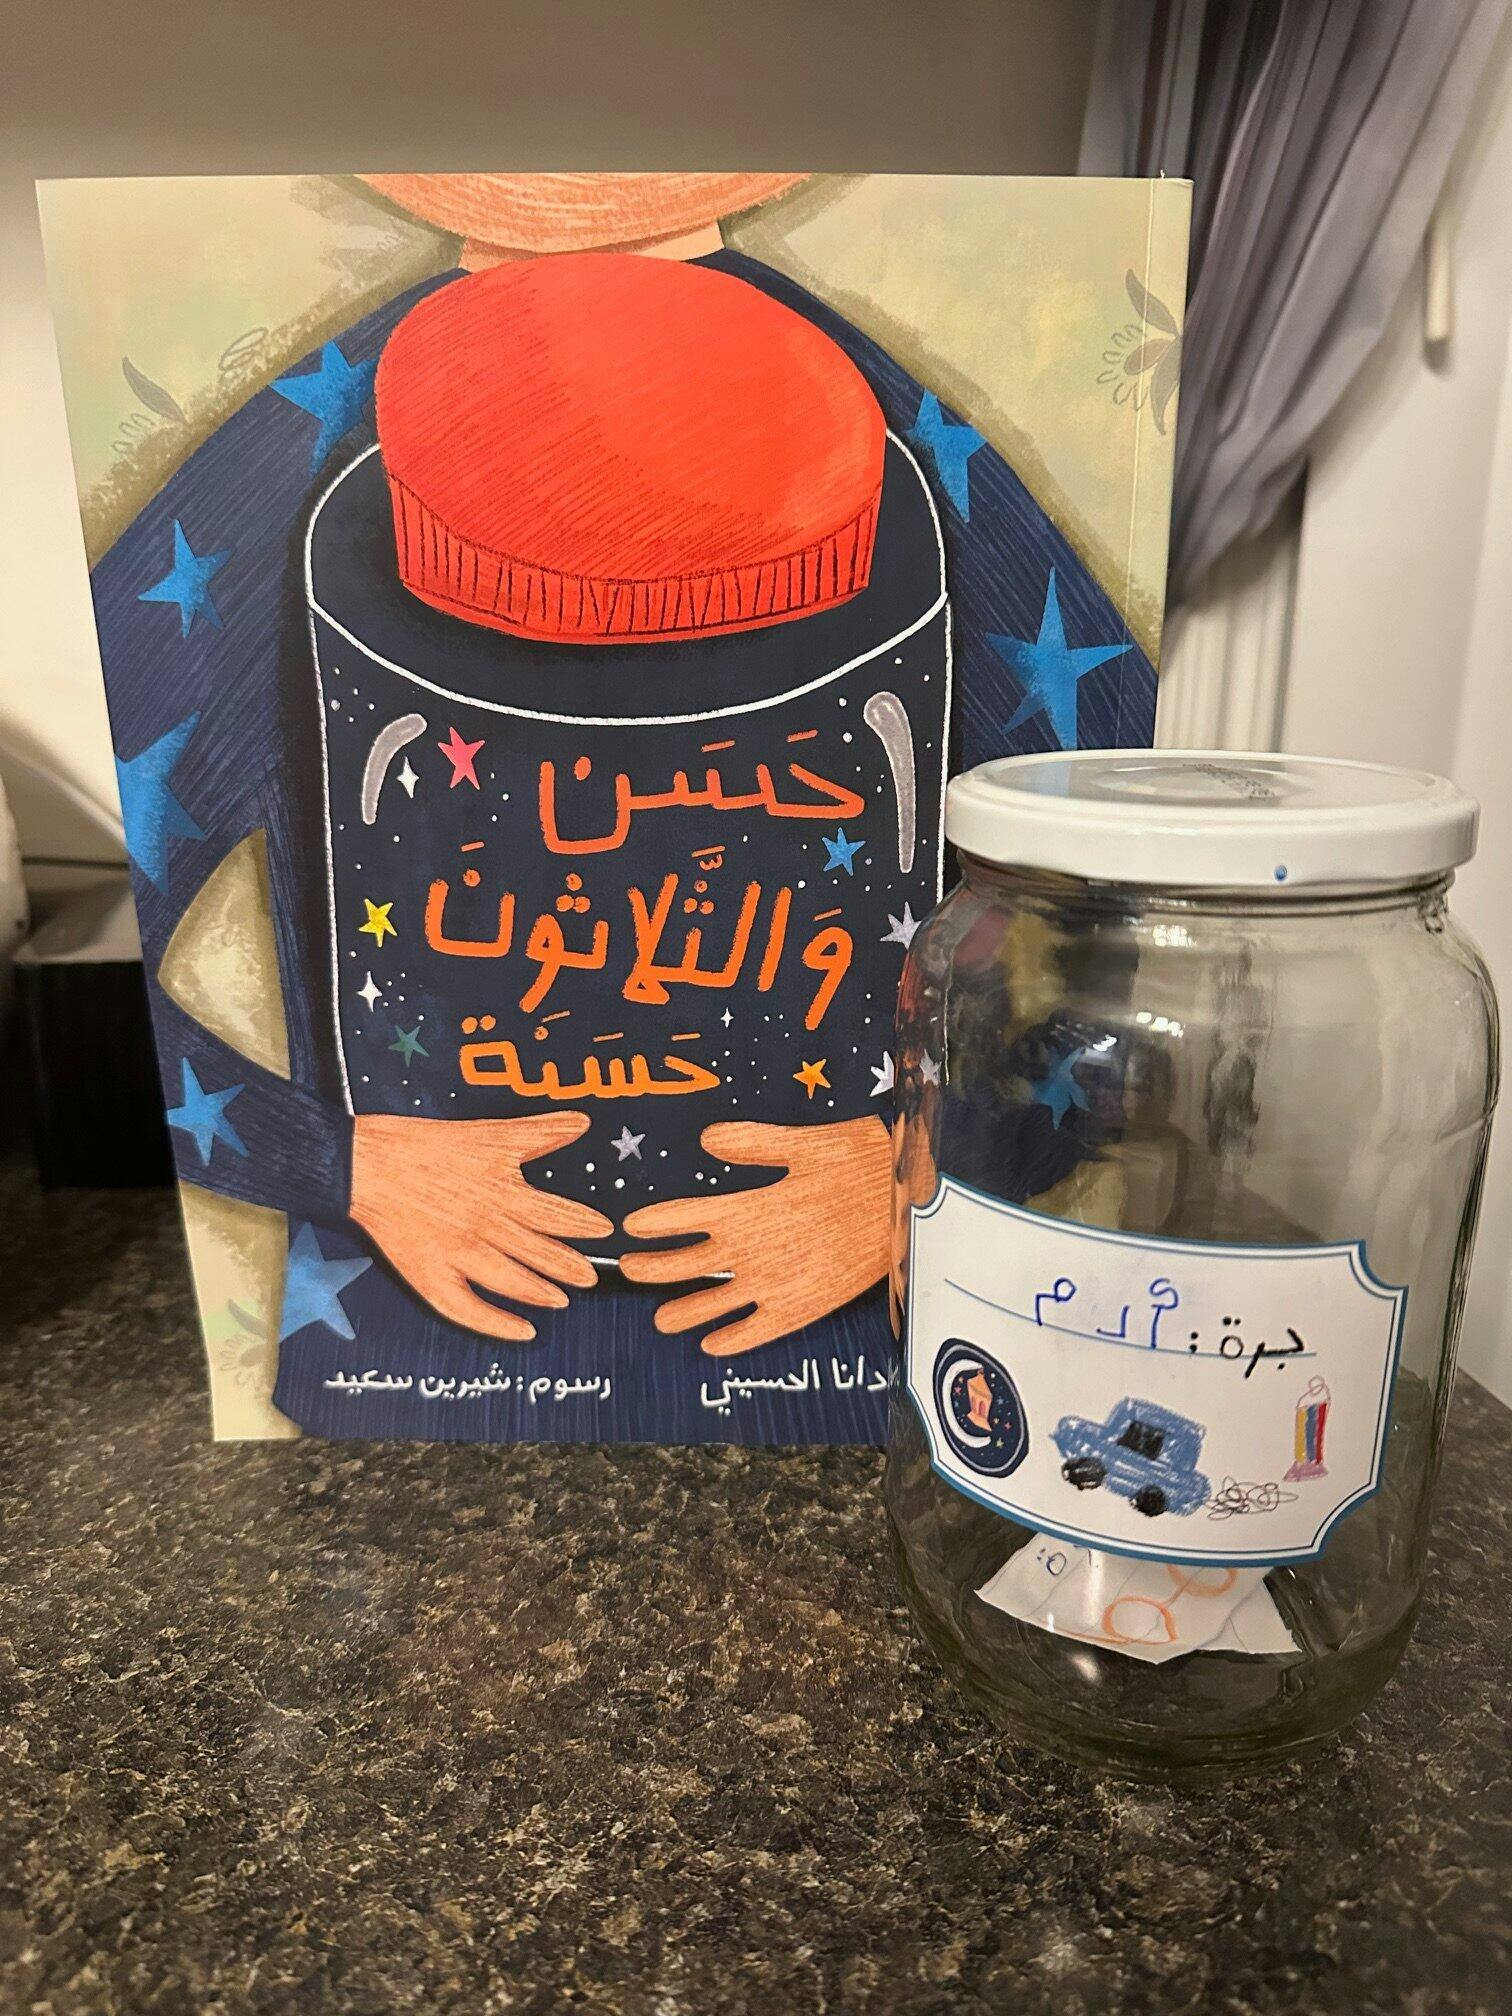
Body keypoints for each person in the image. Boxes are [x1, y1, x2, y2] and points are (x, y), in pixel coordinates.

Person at [96, 174, 1154, 1442]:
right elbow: (118, 927)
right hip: (418, 1371)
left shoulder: (913, 471)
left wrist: (922, 1170)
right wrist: (337, 1162)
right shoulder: (295, 473)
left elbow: (1159, 928)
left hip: (842, 1376)